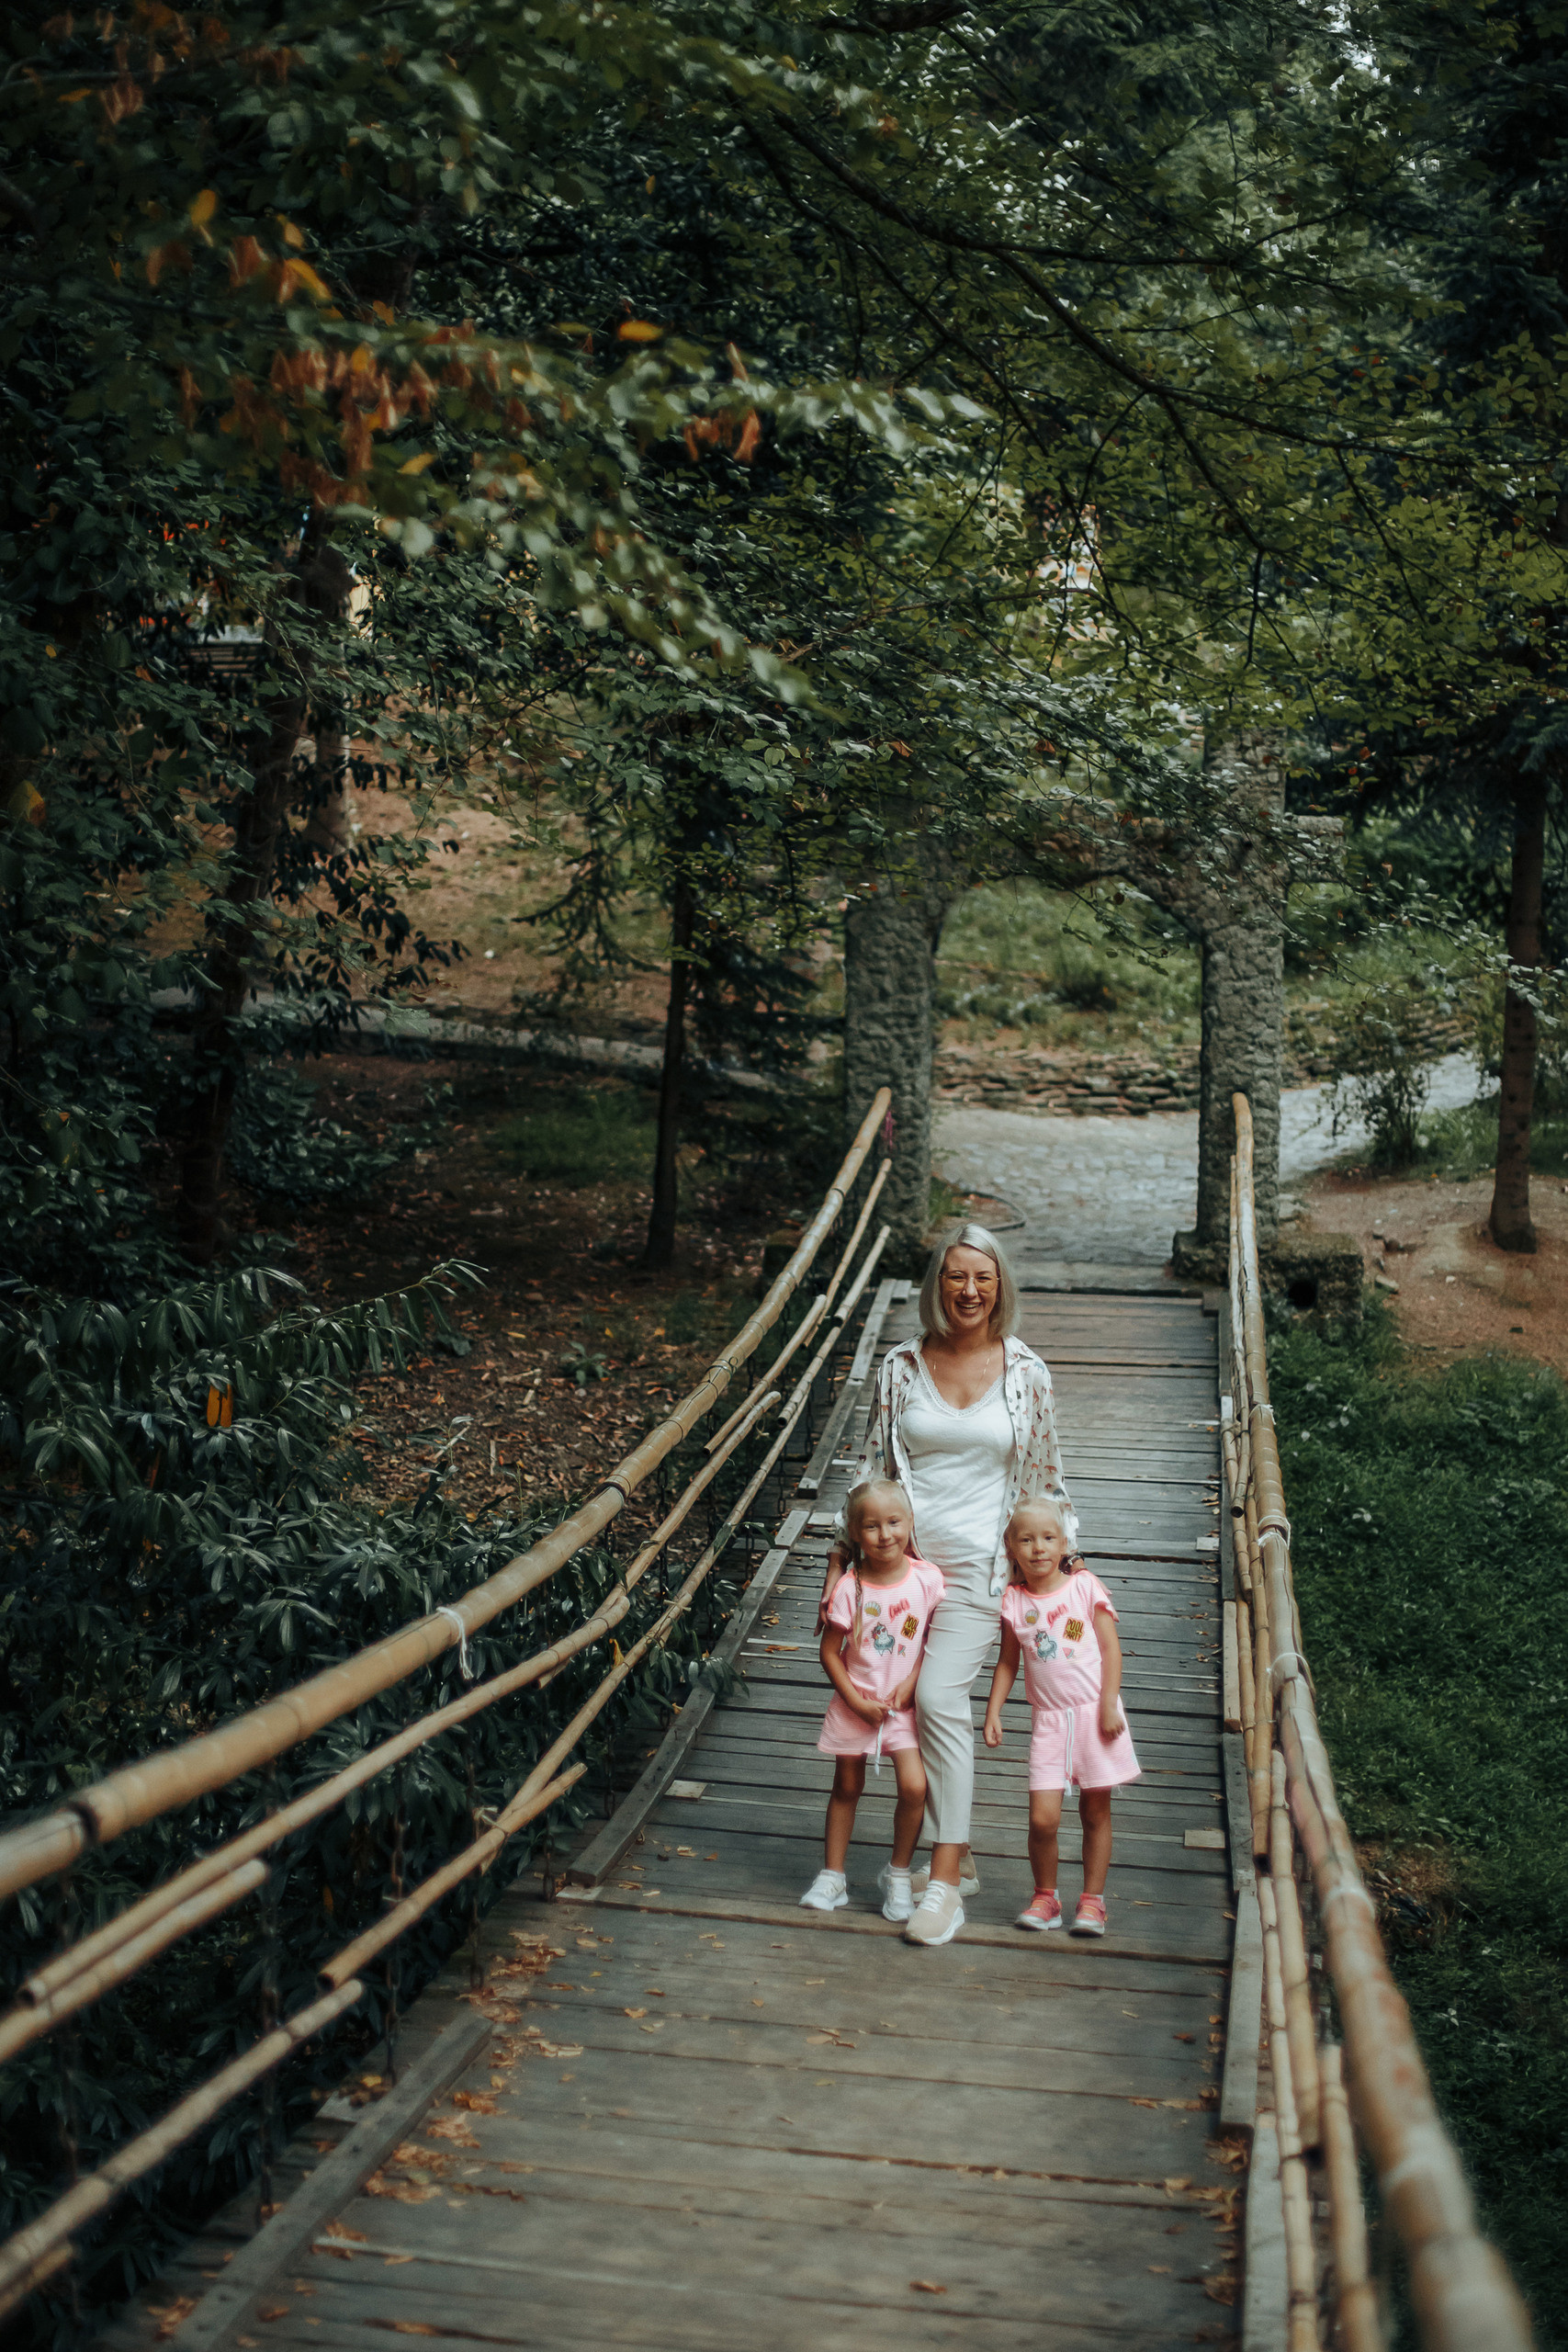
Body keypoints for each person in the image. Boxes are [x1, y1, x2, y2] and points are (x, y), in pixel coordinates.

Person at [820, 1224, 1068, 1948]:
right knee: (906, 1706)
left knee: (934, 1699)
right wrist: (840, 1557)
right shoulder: (901, 1366)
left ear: (1000, 1286)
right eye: (956, 1276)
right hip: (898, 1573)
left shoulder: (1027, 1373)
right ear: (937, 1285)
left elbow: (1046, 1479)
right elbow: (873, 1470)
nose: (969, 1290)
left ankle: (944, 1882)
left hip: (980, 1574)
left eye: (982, 1277)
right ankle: (953, 1851)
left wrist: (1063, 1562)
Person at [982, 1497, 1140, 1936]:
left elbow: (1110, 1650)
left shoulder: (1085, 1588)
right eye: (1026, 1540)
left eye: (1048, 1538)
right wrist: (993, 1710)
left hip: (1094, 1715)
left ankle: (1092, 1902)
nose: (1038, 1548)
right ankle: (1046, 1897)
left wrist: (1109, 1702)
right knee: (1042, 1818)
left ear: (1064, 1543)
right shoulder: (1014, 1602)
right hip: (1049, 1722)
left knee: (1095, 1811)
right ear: (1011, 1549)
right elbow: (1008, 1662)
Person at [800, 1479, 943, 1920]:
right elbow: (829, 1652)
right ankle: (833, 1876)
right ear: (855, 1533)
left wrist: (913, 1682)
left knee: (915, 1787)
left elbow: (933, 1640)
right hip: (855, 1703)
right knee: (846, 1786)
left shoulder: (926, 1579)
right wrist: (856, 1702)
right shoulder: (849, 1588)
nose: (885, 1535)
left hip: (902, 1708)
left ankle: (898, 1874)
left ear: (910, 1522)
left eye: (894, 1522)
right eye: (871, 1526)